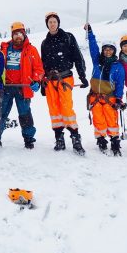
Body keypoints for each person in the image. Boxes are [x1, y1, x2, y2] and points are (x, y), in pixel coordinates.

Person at [0, 21, 44, 150]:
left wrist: (36, 81)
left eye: (20, 33)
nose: (18, 36)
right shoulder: (4, 49)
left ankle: (28, 139)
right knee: (0, 113)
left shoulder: (31, 50)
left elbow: (39, 69)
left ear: (24, 34)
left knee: (25, 114)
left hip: (23, 88)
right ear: (12, 35)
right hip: (5, 88)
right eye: (15, 34)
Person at [41, 12, 88, 155]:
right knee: (54, 110)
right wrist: (42, 82)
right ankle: (59, 138)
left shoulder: (68, 37)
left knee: (67, 108)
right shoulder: (44, 43)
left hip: (65, 78)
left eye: (54, 21)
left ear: (58, 23)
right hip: (50, 81)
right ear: (47, 24)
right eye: (50, 22)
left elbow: (78, 57)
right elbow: (43, 64)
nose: (52, 24)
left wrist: (82, 76)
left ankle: (75, 137)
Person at [85, 24, 125, 156]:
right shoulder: (97, 61)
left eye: (110, 49)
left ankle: (115, 141)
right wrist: (90, 33)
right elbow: (93, 47)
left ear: (114, 51)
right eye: (105, 49)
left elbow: (120, 84)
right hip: (95, 96)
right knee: (98, 119)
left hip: (110, 97)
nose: (108, 51)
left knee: (111, 120)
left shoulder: (118, 66)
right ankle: (101, 140)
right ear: (103, 50)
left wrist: (118, 98)